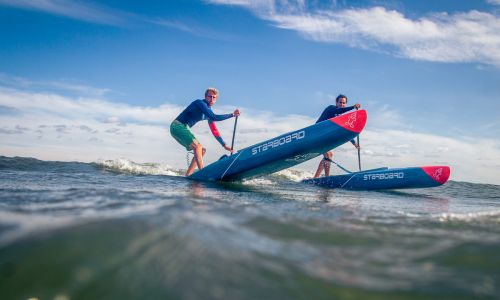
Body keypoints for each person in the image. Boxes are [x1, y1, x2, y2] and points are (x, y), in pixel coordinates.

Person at [170, 87, 240, 176]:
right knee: (198, 147)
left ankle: (188, 175)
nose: (211, 99)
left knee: (202, 150)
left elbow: (214, 130)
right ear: (205, 96)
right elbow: (214, 117)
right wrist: (232, 114)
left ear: (216, 99)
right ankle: (203, 173)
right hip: (177, 126)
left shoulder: (208, 112)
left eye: (214, 97)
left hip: (183, 128)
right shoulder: (200, 103)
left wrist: (224, 145)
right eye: (209, 96)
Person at [313, 94, 361, 178]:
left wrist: (354, 143)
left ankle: (316, 177)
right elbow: (339, 111)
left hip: (324, 137)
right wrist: (353, 107)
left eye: (344, 103)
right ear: (336, 102)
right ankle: (327, 178)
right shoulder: (331, 109)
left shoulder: (340, 117)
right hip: (317, 134)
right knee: (329, 155)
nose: (342, 104)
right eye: (340, 102)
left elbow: (343, 130)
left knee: (328, 155)